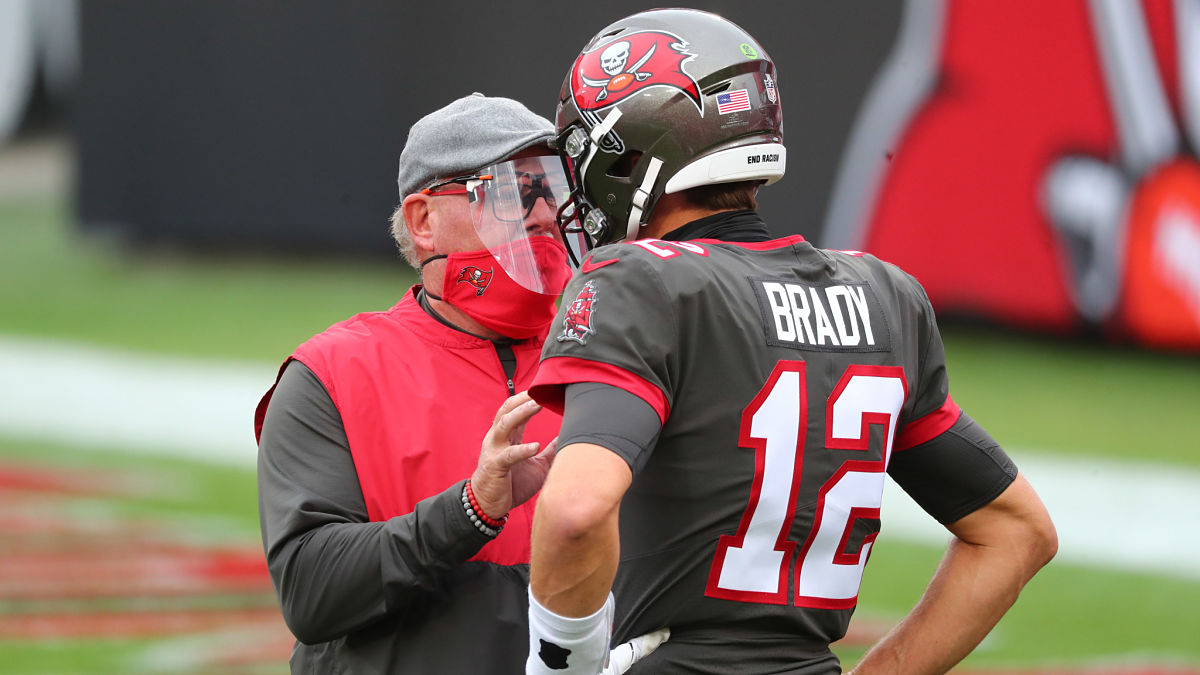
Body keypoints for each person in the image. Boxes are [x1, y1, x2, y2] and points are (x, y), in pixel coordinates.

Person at [525, 9, 1059, 675]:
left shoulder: (640, 282)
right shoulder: (884, 294)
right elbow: (1016, 531)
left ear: (631, 153)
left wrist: (560, 664)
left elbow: (576, 509)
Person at [253, 93, 573, 673]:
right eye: (512, 192)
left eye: (550, 187)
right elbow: (310, 593)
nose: (543, 214)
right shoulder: (332, 373)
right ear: (424, 221)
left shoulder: (607, 355)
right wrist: (471, 511)